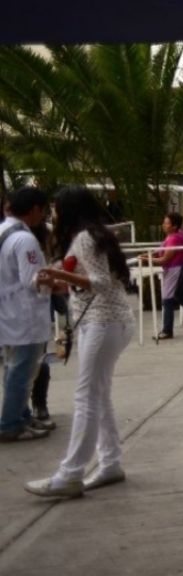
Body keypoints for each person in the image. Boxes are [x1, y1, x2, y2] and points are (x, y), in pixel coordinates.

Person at [25, 187, 135, 497]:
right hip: (101, 321)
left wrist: (55, 275)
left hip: (103, 322)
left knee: (86, 396)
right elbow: (90, 284)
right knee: (98, 395)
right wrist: (58, 282)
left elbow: (99, 282)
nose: (53, 214)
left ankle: (70, 473)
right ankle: (110, 462)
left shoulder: (86, 238)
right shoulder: (89, 236)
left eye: (56, 208)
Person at [0, 188, 52, 444]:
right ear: (35, 209)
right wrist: (55, 279)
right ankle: (10, 424)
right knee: (22, 370)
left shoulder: (4, 231)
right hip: (24, 315)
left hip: (9, 314)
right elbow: (33, 280)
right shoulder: (25, 240)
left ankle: (21, 416)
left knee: (14, 368)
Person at [153, 212, 183, 340]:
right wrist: (149, 255)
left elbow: (165, 259)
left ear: (174, 226)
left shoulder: (174, 238)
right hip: (178, 268)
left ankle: (167, 330)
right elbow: (160, 251)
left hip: (176, 269)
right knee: (179, 296)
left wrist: (146, 259)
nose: (164, 225)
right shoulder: (171, 236)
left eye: (166, 223)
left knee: (167, 298)